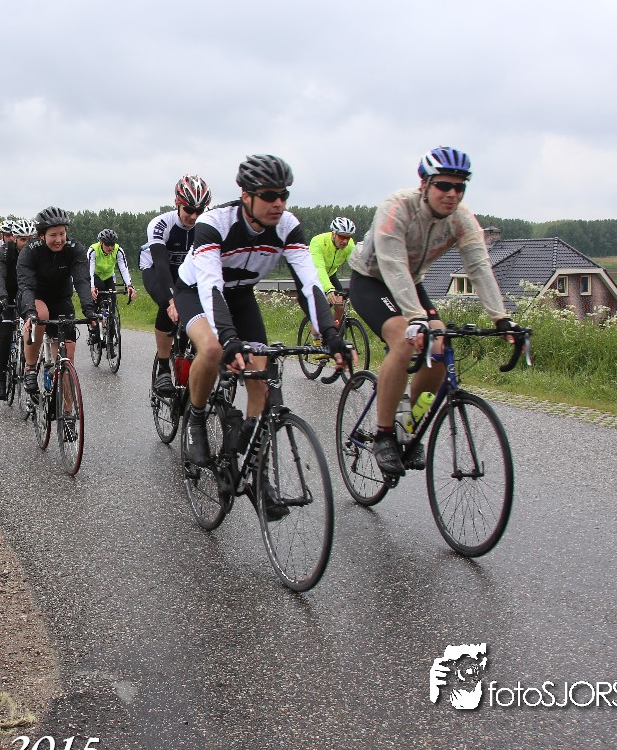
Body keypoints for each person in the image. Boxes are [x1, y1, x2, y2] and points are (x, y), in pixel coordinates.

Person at [177, 154, 352, 515]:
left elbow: (309, 284)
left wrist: (330, 334)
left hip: (241, 296)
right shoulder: (215, 223)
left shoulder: (288, 226)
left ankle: (256, 472)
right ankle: (196, 417)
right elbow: (210, 286)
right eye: (269, 195)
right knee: (211, 350)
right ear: (246, 196)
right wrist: (229, 339)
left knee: (263, 382)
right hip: (196, 291)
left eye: (283, 195)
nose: (278, 203)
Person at [347, 146, 517, 477]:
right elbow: (393, 264)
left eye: (459, 187)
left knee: (439, 346)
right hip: (372, 280)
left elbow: (479, 266)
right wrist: (416, 318)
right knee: (405, 340)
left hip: (411, 283)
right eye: (443, 185)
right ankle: (384, 434)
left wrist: (502, 318)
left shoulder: (461, 218)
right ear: (424, 184)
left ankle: (408, 425)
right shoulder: (397, 207)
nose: (452, 194)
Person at [18, 207, 97, 405]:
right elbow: (26, 286)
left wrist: (89, 310)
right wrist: (29, 312)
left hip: (61, 299)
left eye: (62, 233)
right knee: (41, 314)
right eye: (53, 235)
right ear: (41, 235)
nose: (59, 240)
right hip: (34, 297)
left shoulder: (74, 249)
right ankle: (30, 367)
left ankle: (67, 412)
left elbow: (82, 281)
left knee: (67, 357)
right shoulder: (30, 251)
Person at [141, 174, 210, 396]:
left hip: (186, 272)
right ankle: (163, 367)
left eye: (199, 211)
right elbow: (161, 265)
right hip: (156, 268)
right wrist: (172, 300)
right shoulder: (161, 224)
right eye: (188, 209)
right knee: (167, 305)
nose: (193, 216)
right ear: (177, 203)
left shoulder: (207, 226)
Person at [0, 219, 35, 399]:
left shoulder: (36, 252)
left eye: (30, 239)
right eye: (23, 239)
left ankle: (32, 370)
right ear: (14, 238)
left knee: (34, 330)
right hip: (7, 294)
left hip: (27, 294)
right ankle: (1, 380)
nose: (27, 243)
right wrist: (2, 297)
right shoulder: (3, 252)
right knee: (5, 333)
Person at [303, 216, 357, 335]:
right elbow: (319, 268)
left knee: (340, 306)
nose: (345, 241)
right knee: (322, 310)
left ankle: (332, 334)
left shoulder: (349, 245)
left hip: (330, 275)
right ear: (333, 234)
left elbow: (357, 265)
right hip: (313, 275)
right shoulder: (318, 242)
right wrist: (328, 289)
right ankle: (316, 339)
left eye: (348, 237)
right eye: (341, 237)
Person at [85, 228, 136, 350]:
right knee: (98, 293)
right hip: (96, 276)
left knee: (112, 304)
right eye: (107, 244)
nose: (110, 247)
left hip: (108, 276)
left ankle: (110, 338)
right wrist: (92, 287)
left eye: (112, 244)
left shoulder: (118, 250)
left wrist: (129, 285)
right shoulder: (93, 250)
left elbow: (123, 268)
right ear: (101, 243)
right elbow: (89, 270)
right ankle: (95, 322)